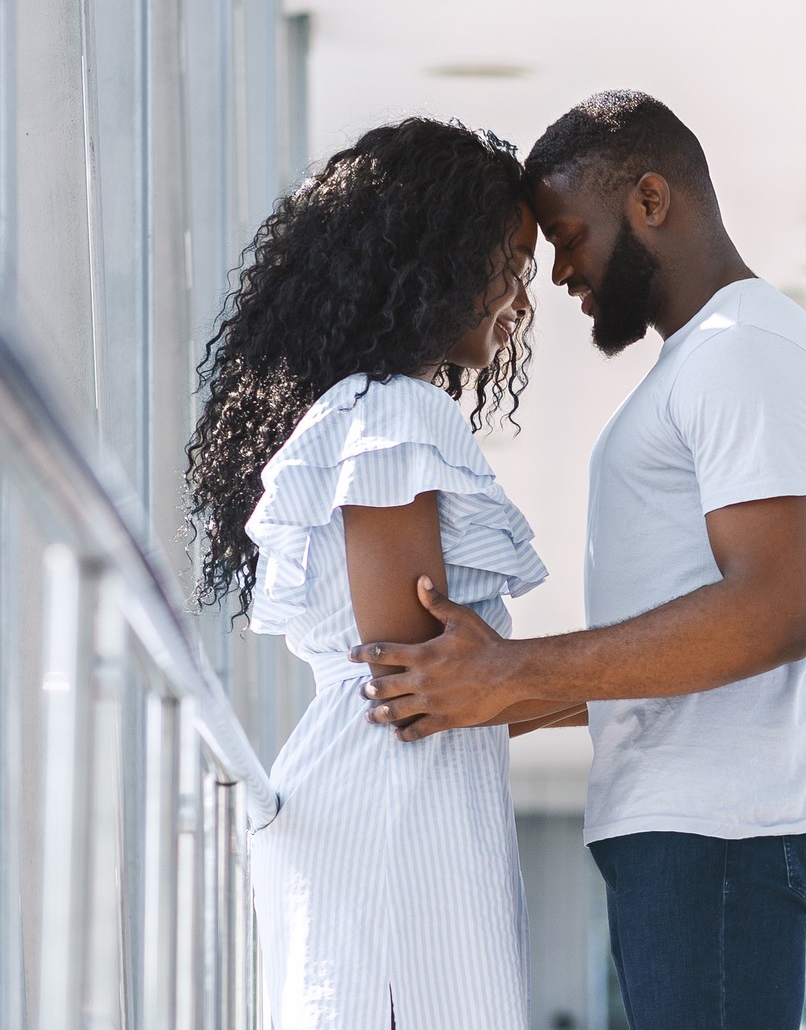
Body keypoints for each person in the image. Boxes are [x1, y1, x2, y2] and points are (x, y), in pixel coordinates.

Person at [352, 90, 806, 1029]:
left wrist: (513, 671)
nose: (556, 273)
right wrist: (495, 699)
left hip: (720, 827)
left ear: (649, 201)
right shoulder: (707, 360)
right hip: (692, 825)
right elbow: (678, 646)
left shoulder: (743, 351)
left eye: (566, 235)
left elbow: (770, 613)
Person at [185, 117, 561, 1029]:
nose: (521, 294)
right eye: (509, 260)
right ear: (437, 255)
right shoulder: (398, 414)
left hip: (385, 800)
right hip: (398, 814)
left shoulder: (358, 410)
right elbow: (421, 681)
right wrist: (653, 681)